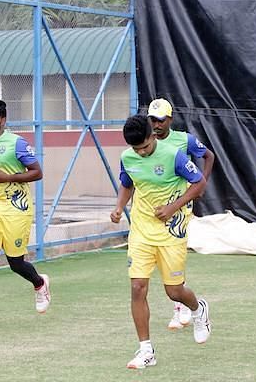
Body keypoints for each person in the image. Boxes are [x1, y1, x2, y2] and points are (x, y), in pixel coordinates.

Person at [110, 115, 211, 369]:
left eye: (144, 147)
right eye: (137, 149)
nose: (141, 153)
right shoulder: (128, 157)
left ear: (153, 136)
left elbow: (199, 183)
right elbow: (127, 183)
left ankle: (198, 309)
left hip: (171, 231)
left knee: (174, 291)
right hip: (142, 230)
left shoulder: (173, 155)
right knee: (137, 288)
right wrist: (119, 208)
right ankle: (146, 350)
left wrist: (173, 207)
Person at [0, 99, 50, 332]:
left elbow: (37, 172)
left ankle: (40, 283)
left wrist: (8, 178)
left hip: (16, 209)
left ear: (3, 120)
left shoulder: (17, 143)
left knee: (16, 262)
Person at [147, 98, 215, 330]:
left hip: (179, 206)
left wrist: (201, 184)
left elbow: (209, 156)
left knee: (174, 246)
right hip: (153, 209)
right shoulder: (146, 144)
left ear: (170, 120)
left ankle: (181, 306)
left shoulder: (184, 140)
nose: (156, 125)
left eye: (160, 120)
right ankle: (182, 299)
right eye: (152, 120)